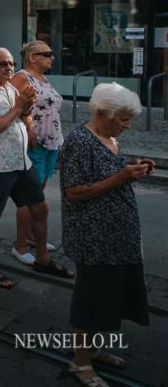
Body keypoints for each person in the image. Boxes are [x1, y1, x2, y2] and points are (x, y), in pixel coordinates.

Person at [59, 83, 153, 387]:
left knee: (107, 298)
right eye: (123, 118)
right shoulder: (79, 140)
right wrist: (121, 176)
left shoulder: (108, 136)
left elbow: (108, 173)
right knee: (90, 300)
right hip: (94, 237)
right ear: (103, 112)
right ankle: (80, 363)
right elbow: (73, 192)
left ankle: (93, 350)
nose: (128, 125)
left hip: (116, 234)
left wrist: (132, 170)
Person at [0, 47, 72, 289]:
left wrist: (26, 108)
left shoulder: (11, 87)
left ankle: (43, 259)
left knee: (40, 207)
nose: (9, 68)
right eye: (3, 64)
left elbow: (22, 116)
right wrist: (18, 109)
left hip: (21, 161)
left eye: (11, 63)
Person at [11, 40, 63, 265]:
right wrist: (28, 128)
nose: (52, 57)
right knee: (26, 197)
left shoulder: (43, 78)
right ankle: (19, 245)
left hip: (51, 143)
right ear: (33, 57)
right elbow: (13, 106)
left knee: (38, 194)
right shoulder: (22, 77)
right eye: (47, 53)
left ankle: (33, 236)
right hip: (35, 143)